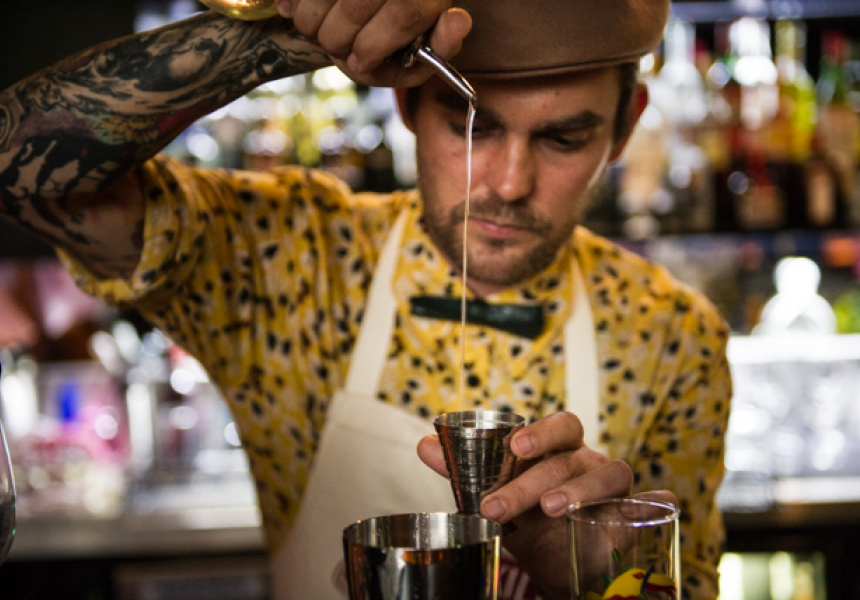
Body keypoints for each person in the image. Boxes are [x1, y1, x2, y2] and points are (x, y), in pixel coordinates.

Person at [0, 1, 732, 598]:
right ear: (407, 102)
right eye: (470, 124)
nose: (509, 183)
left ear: (625, 126)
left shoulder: (668, 333)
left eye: (563, 139)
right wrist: (288, 36)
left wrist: (599, 581)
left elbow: (684, 587)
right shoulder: (294, 259)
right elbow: (20, 171)